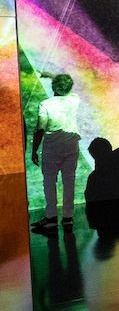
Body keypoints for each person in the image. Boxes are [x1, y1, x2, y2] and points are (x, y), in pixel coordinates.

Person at [30, 73, 82, 232]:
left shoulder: (45, 104)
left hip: (52, 149)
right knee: (69, 182)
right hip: (71, 147)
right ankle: (68, 218)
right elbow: (66, 84)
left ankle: (51, 216)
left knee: (49, 182)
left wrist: (34, 150)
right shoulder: (74, 100)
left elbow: (40, 129)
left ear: (53, 87)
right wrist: (53, 76)